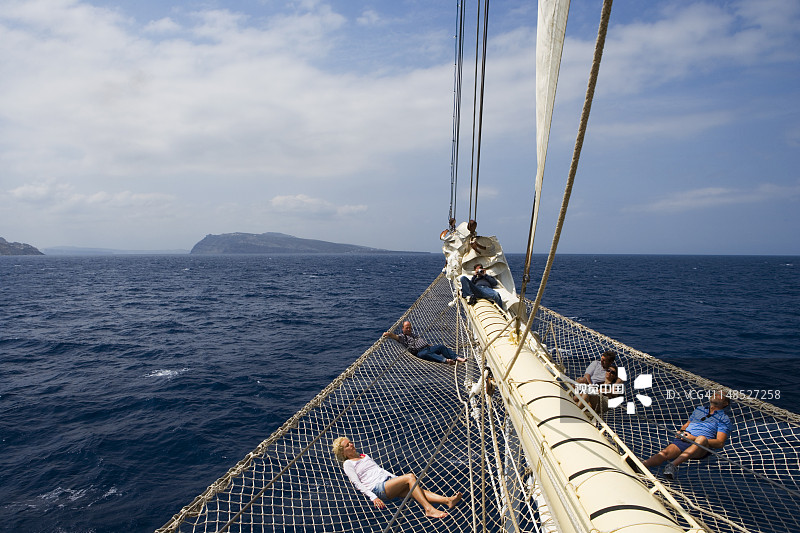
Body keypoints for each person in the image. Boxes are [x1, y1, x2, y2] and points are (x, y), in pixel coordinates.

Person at [332, 437, 462, 518]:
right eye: (347, 445)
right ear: (343, 452)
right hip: (378, 489)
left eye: (350, 442)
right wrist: (374, 497)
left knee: (416, 491)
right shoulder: (348, 464)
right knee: (410, 477)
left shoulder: (363, 455)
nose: (352, 445)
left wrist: (396, 479)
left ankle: (447, 501)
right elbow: (357, 483)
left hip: (388, 482)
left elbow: (379, 470)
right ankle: (429, 509)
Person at [642, 390, 731, 480]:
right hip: (685, 438)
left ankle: (672, 466)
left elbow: (720, 443)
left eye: (721, 395)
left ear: (725, 403)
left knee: (701, 439)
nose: (716, 394)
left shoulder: (724, 419)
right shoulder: (699, 410)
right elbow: (686, 425)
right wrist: (681, 432)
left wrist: (694, 438)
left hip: (701, 446)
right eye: (715, 393)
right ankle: (643, 464)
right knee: (664, 453)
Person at [383, 321, 465, 365]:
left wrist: (429, 345)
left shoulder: (413, 334)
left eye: (410, 328)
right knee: (426, 353)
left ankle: (457, 358)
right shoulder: (402, 337)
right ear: (403, 328)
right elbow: (395, 336)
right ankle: (446, 360)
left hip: (428, 347)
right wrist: (388, 334)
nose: (409, 329)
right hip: (420, 352)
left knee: (441, 347)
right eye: (407, 328)